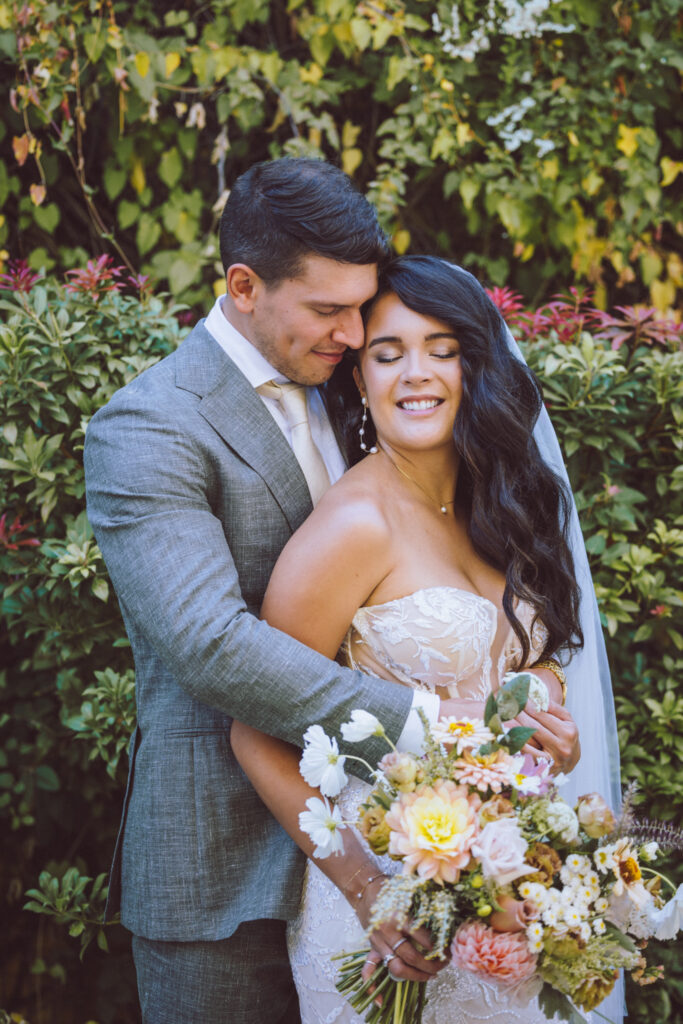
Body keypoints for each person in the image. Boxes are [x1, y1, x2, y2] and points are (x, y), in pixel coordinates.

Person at [86, 159, 575, 1023]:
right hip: (223, 868)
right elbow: (210, 646)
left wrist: (525, 708)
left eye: (361, 309)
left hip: (403, 848)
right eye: (328, 310)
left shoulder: (352, 393)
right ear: (243, 286)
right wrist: (436, 724)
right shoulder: (150, 426)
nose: (354, 334)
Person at [230, 255, 623, 1024]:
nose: (417, 374)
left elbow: (529, 662)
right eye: (388, 353)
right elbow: (255, 730)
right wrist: (368, 889)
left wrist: (553, 734)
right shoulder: (349, 530)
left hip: (513, 891)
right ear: (359, 377)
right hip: (387, 910)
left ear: (477, 368)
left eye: (443, 349)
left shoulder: (504, 510)